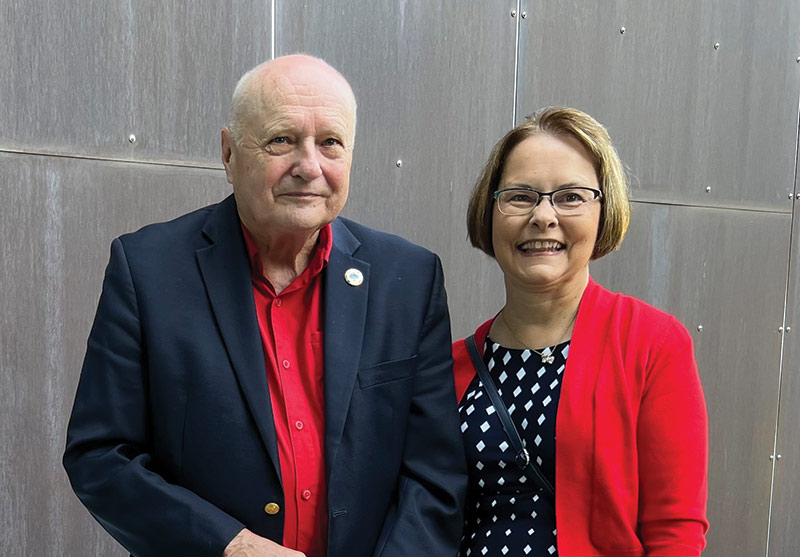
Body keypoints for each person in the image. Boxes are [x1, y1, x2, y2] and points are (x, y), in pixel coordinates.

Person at [63, 54, 466, 557]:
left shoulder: (408, 279)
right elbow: (101, 456)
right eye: (282, 140)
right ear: (229, 152)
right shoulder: (148, 271)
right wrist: (228, 547)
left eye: (330, 143)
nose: (309, 166)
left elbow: (434, 475)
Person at [452, 107, 709, 556]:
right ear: (489, 211)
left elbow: (675, 532)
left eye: (570, 197)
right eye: (519, 196)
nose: (543, 216)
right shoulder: (452, 365)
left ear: (603, 211)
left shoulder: (651, 345)